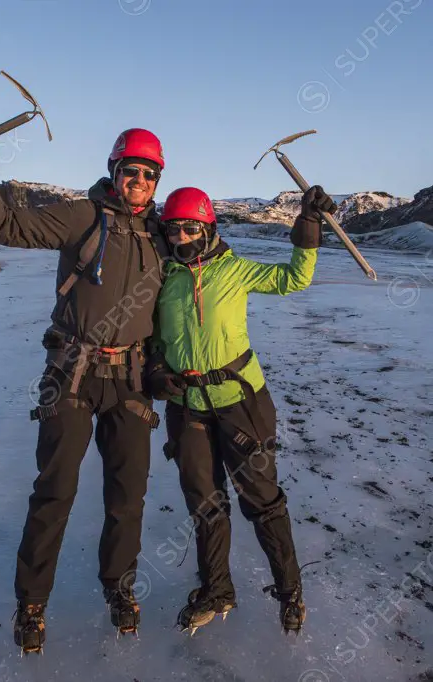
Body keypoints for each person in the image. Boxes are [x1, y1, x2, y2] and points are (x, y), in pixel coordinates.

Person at [0, 125, 171, 654]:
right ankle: (31, 603)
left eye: (148, 174)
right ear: (115, 170)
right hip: (70, 374)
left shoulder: (166, 233)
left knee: (127, 499)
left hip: (131, 382)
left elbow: (215, 265)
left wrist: (305, 225)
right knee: (54, 493)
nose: (138, 181)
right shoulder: (80, 216)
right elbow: (4, 226)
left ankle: (119, 590)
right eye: (130, 170)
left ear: (157, 180)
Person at [145, 184, 337, 635]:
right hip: (186, 406)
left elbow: (294, 279)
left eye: (191, 228)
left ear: (209, 228)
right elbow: (154, 340)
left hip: (240, 403)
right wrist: (155, 370)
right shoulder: (163, 279)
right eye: (173, 230)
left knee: (262, 501)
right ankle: (217, 590)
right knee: (206, 504)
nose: (181, 238)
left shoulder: (235, 271)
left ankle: (290, 591)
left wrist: (308, 222)